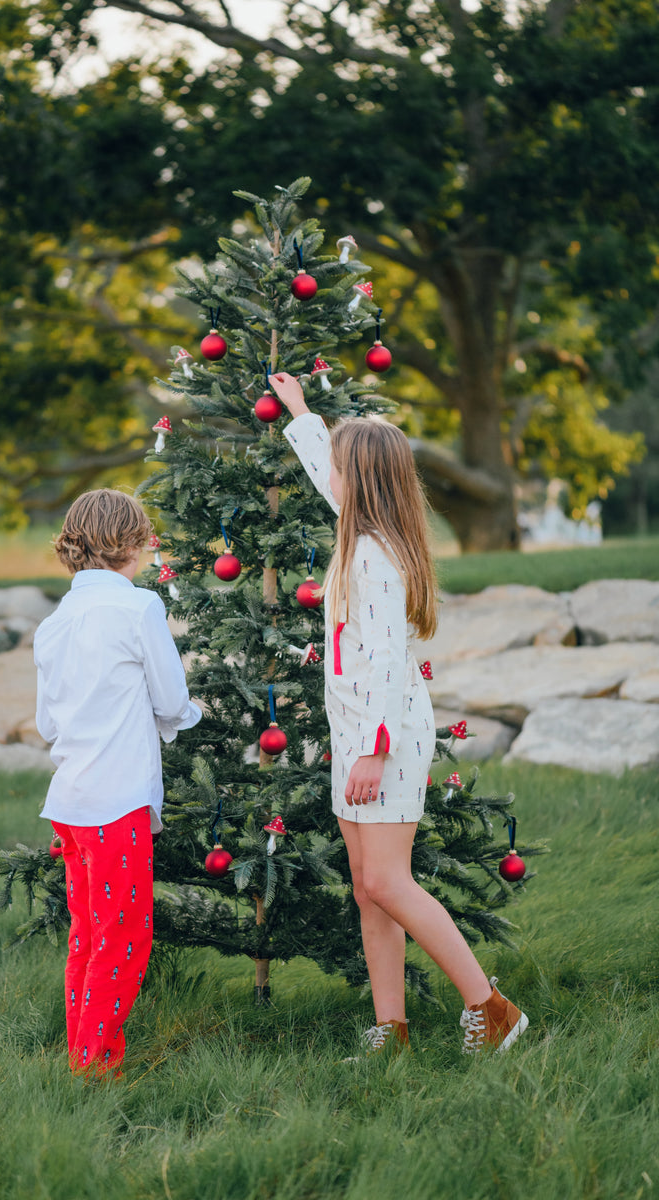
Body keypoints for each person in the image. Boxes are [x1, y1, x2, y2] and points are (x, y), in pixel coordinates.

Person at [269, 373, 528, 1056]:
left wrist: (373, 750)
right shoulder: (364, 533)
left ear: (365, 481)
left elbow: (385, 666)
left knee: (387, 880)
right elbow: (327, 473)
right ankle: (392, 1028)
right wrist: (302, 411)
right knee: (366, 886)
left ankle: (492, 1007)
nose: (332, 478)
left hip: (380, 739)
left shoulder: (376, 561)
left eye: (341, 470)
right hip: (360, 734)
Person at [34, 488, 201, 1077]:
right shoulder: (139, 609)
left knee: (87, 932)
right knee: (125, 935)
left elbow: (46, 722)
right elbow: (172, 699)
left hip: (70, 804)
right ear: (131, 544)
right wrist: (190, 715)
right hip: (117, 802)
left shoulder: (54, 624)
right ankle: (97, 1063)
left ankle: (81, 1051)